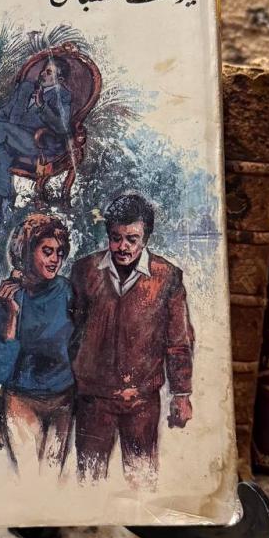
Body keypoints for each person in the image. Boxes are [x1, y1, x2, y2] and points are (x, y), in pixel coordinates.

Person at [69, 191, 194, 488]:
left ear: (145, 238)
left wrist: (181, 394)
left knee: (142, 482)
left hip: (142, 401)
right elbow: (71, 329)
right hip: (93, 399)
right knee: (88, 482)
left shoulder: (167, 277)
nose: (122, 246)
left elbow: (178, 340)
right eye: (116, 238)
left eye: (131, 239)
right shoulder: (85, 271)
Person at [0, 213, 75, 476]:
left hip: (62, 400)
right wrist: (11, 315)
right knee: (29, 478)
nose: (55, 260)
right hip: (20, 399)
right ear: (27, 251)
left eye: (59, 253)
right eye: (47, 251)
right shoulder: (4, 297)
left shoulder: (67, 292)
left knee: (52, 478)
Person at [0, 55, 73, 221]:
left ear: (60, 80)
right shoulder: (26, 87)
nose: (43, 74)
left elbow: (62, 127)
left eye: (49, 73)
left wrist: (42, 106)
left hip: (40, 143)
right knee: (2, 152)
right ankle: (0, 199)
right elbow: (6, 110)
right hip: (13, 137)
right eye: (43, 70)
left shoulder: (62, 96)